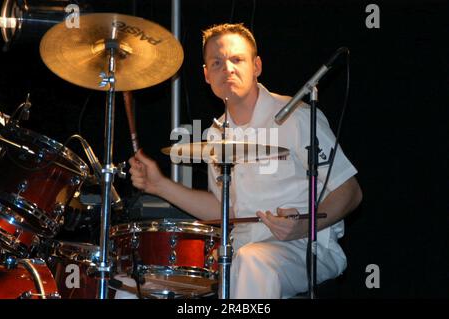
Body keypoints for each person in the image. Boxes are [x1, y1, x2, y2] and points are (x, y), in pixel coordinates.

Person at [128, 23, 362, 299]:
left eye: (237, 59)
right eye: (216, 63)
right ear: (206, 75)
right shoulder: (216, 135)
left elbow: (350, 191)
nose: (227, 68)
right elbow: (224, 208)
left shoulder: (295, 117)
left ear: (257, 66)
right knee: (136, 284)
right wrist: (160, 186)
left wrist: (303, 224)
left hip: (304, 247)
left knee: (253, 262)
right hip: (238, 253)